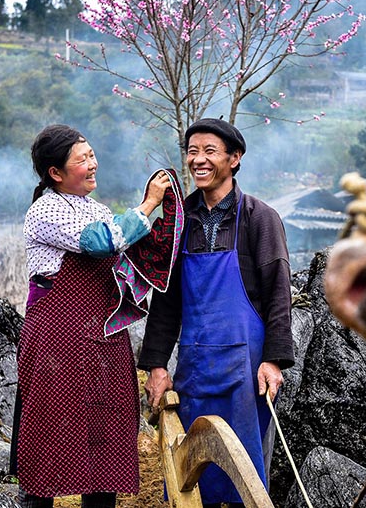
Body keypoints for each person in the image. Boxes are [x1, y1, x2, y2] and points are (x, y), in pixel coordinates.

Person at [11, 124, 178, 508]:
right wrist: (149, 204)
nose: (93, 163)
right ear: (56, 173)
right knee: (49, 434)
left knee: (107, 436)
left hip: (103, 337)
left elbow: (124, 250)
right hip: (56, 340)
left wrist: (167, 222)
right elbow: (101, 242)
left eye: (92, 155)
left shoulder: (99, 210)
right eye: (82, 159)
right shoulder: (46, 210)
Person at [139, 117, 295, 506]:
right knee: (191, 474)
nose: (198, 160)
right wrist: (157, 366)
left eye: (210, 151)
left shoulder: (260, 219)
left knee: (245, 472)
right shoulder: (180, 222)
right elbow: (166, 301)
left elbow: (278, 293)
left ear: (235, 159)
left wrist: (274, 360)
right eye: (193, 152)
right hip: (195, 367)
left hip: (246, 369)